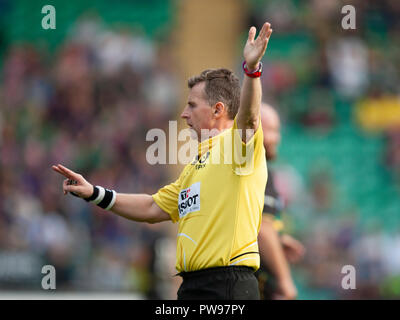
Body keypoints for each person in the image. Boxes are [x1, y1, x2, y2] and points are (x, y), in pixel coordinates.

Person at [52, 22, 273, 300]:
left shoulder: (237, 147)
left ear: (218, 109)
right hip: (194, 287)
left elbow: (250, 117)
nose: (183, 114)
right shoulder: (195, 166)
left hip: (228, 286)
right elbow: (153, 206)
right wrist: (95, 193)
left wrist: (252, 72)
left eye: (192, 105)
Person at [256, 103, 305, 299]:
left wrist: (278, 241)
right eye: (272, 131)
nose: (278, 138)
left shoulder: (247, 170)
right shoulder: (257, 171)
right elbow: (262, 229)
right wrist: (286, 282)